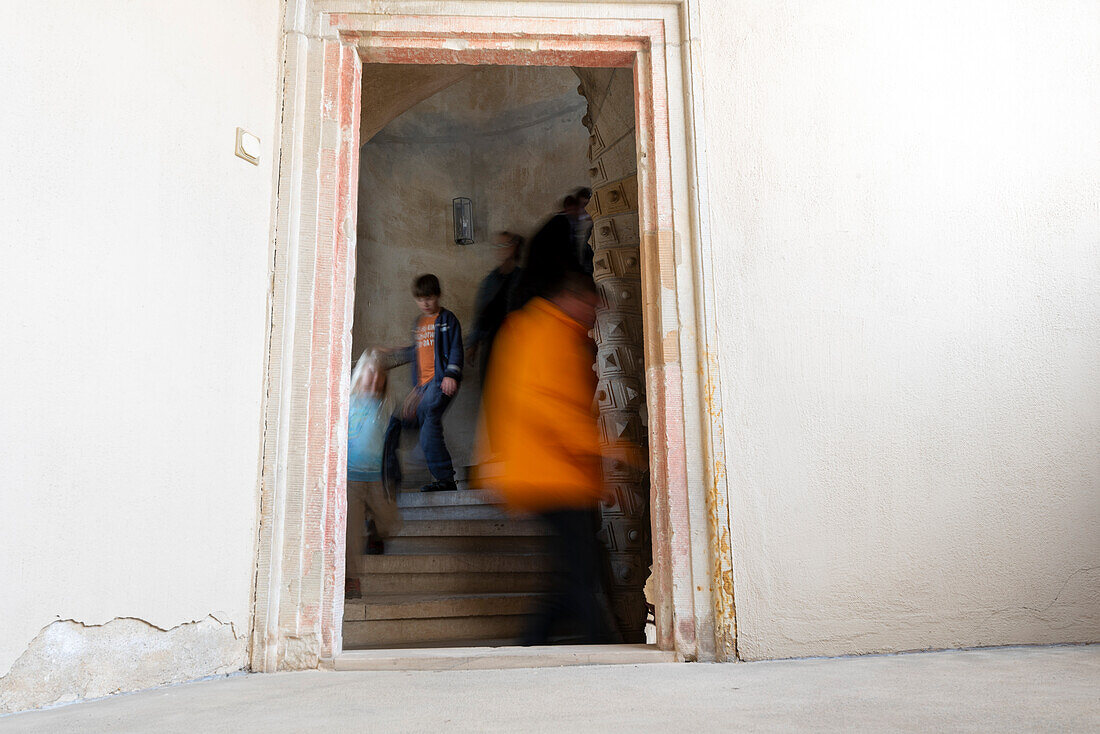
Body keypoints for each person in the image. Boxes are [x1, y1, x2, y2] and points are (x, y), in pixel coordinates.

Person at [477, 271, 615, 645]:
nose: (593, 314)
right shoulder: (548, 334)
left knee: (577, 570)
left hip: (549, 472)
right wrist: (609, 449)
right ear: (573, 297)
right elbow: (553, 407)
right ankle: (599, 644)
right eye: (591, 305)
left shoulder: (538, 329)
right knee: (578, 571)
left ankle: (541, 642)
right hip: (550, 475)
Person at [384, 274, 463, 493]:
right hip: (422, 388)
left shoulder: (448, 320)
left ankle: (444, 478)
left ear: (437, 295)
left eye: (429, 298)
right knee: (396, 422)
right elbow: (418, 351)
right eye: (420, 299)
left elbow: (455, 349)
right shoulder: (419, 323)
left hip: (440, 383)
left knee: (429, 423)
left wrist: (451, 375)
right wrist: (395, 354)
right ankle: (390, 477)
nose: (425, 303)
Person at [345, 350, 402, 599]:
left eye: (380, 374)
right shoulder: (347, 401)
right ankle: (351, 580)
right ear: (360, 374)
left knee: (391, 523)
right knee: (350, 535)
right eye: (370, 371)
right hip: (351, 479)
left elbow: (396, 435)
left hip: (377, 479)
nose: (375, 377)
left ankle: (375, 530)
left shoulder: (386, 406)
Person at [513, 192, 594, 308]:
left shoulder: (568, 225)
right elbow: (564, 257)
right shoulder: (560, 224)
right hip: (538, 288)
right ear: (572, 207)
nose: (585, 210)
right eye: (583, 205)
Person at [467, 231, 524, 387]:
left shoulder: (523, 278)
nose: (500, 249)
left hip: (515, 344)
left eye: (504, 245)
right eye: (497, 246)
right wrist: (473, 343)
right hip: (491, 343)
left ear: (514, 247)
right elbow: (481, 313)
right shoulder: (490, 280)